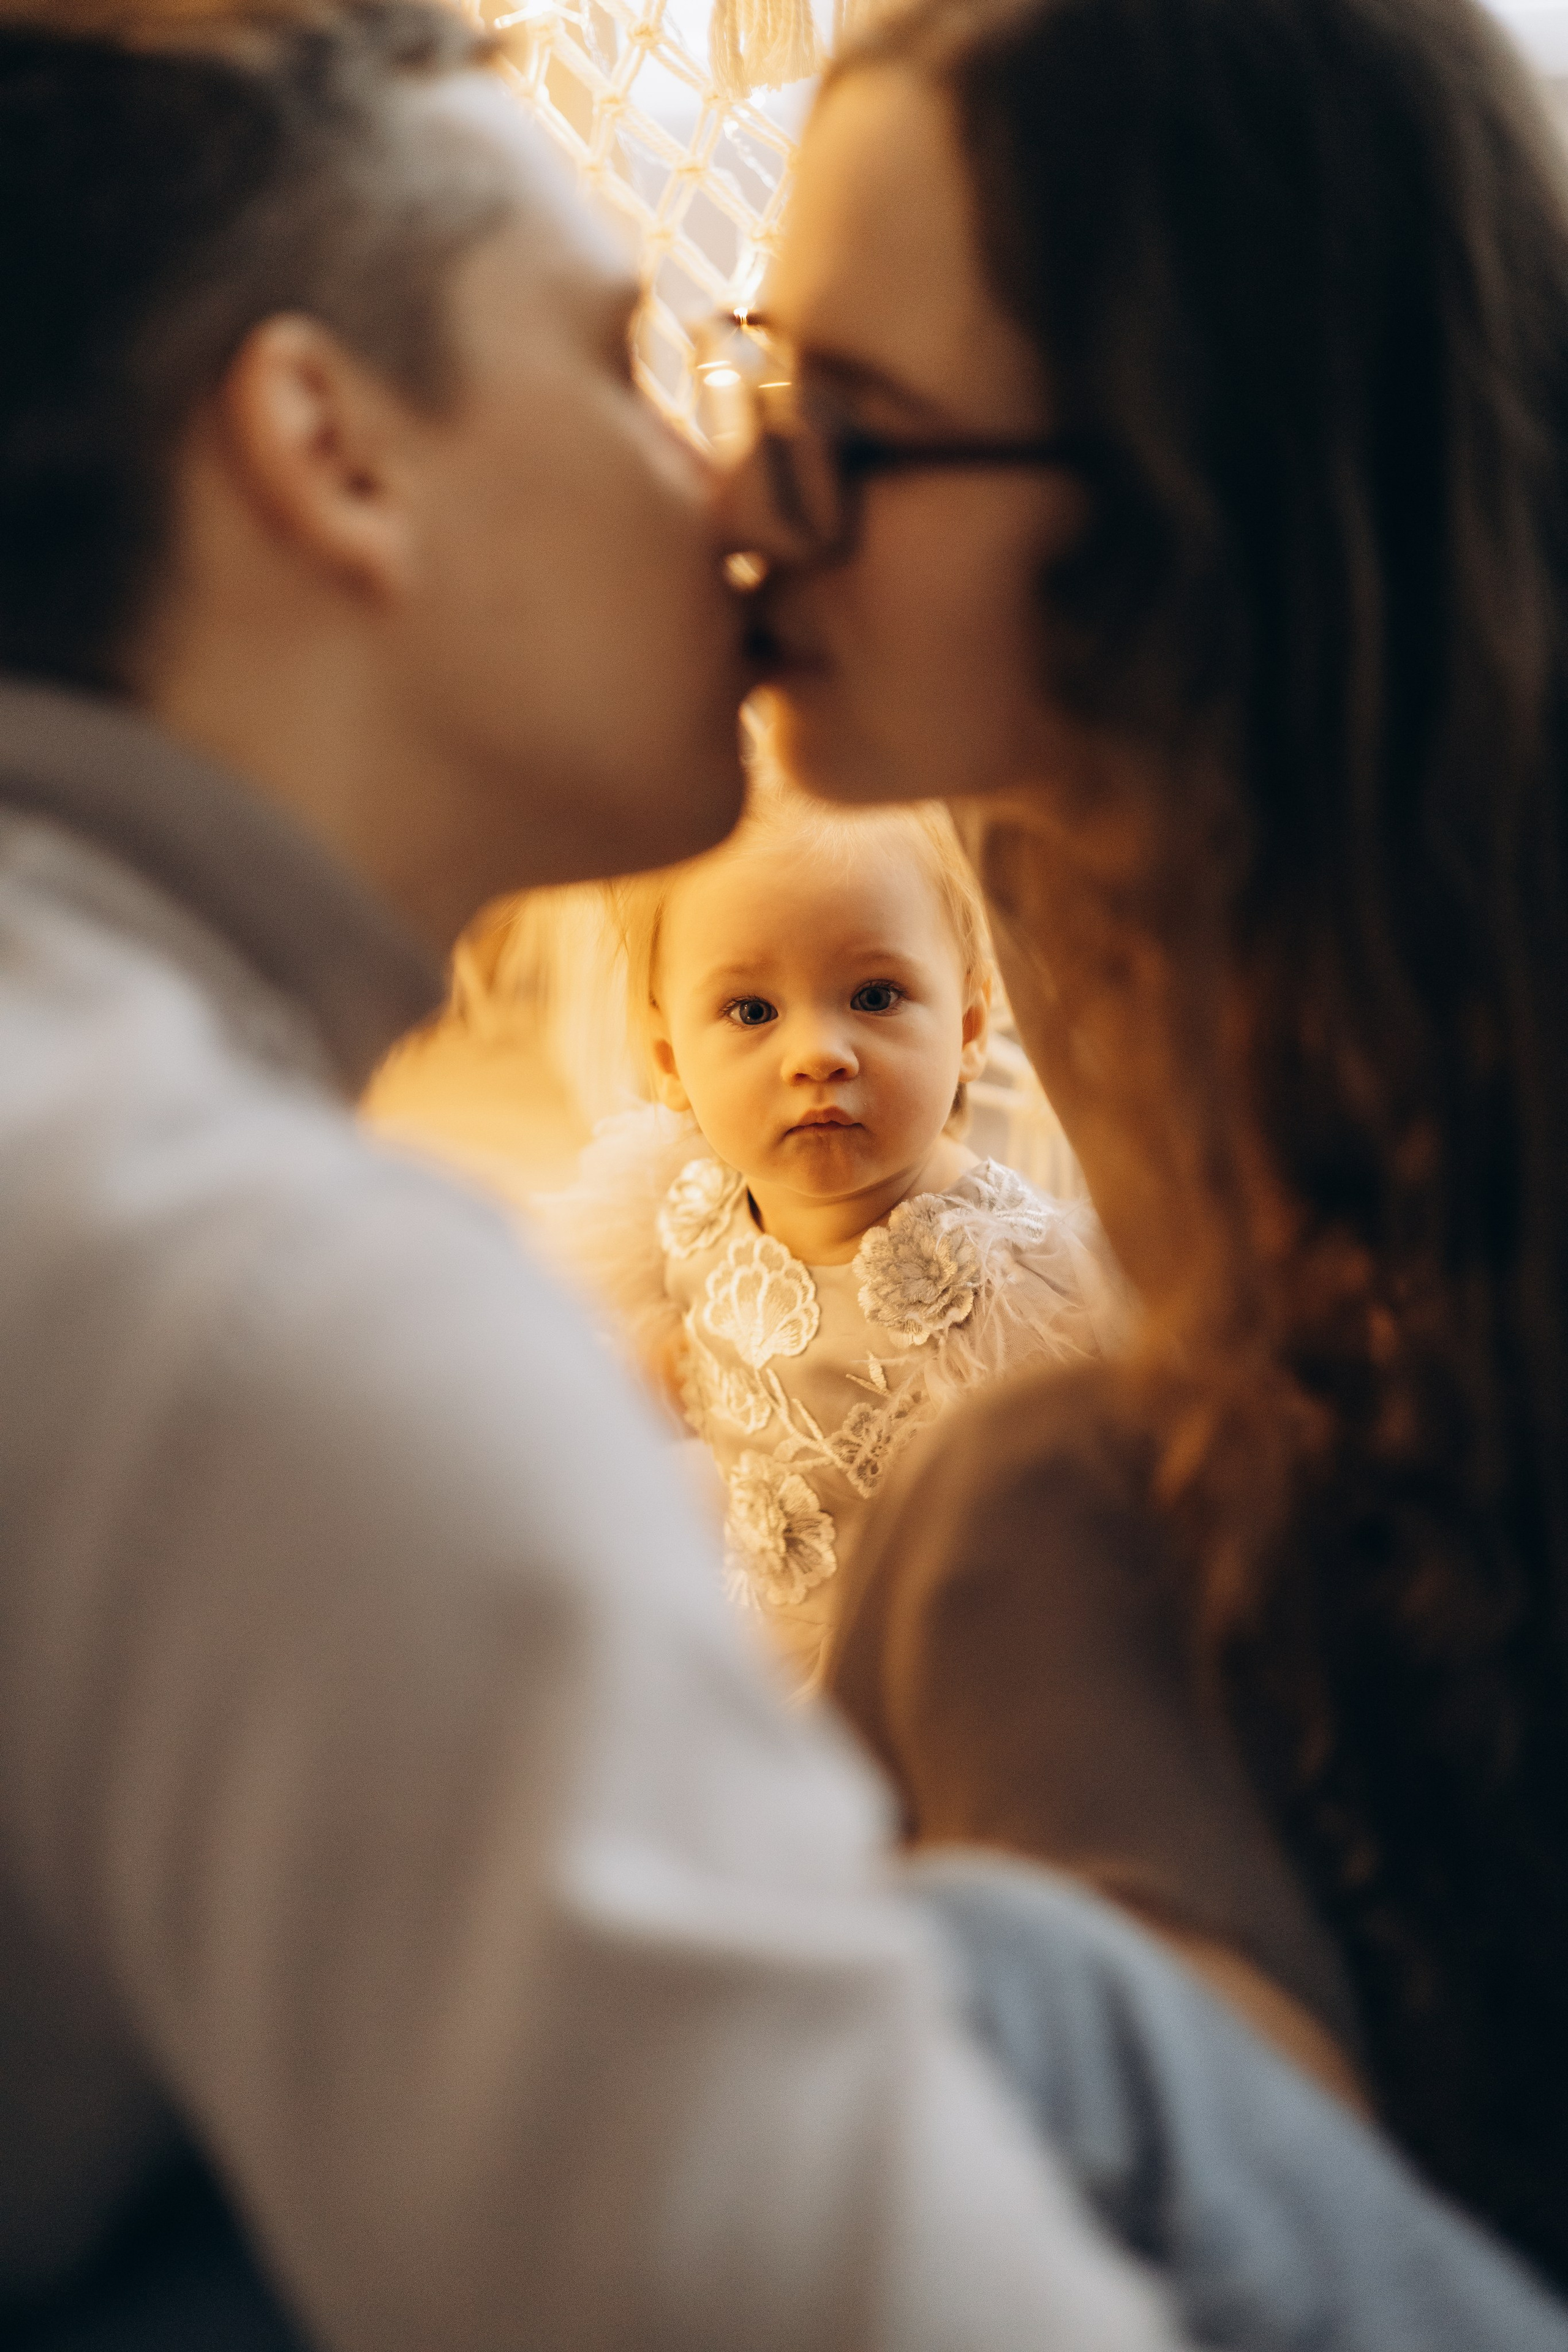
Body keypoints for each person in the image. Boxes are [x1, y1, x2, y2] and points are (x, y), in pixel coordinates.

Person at [0, 3, 1184, 2346]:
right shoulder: (282, 1321)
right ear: (331, 451)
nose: (741, 493)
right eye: (628, 361)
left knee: (1046, 1989)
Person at [714, 0, 1568, 2299]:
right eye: (755, 373)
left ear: (1186, 479)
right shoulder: (1072, 864)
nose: (746, 498)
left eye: (851, 430)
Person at [538, 773, 1108, 1683]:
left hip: (938, 1669)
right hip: (761, 1633)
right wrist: (662, 1372)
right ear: (668, 1059)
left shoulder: (1026, 1275)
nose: (817, 1055)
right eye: (752, 1013)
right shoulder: (689, 1201)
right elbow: (680, 1342)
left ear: (966, 1027)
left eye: (875, 997)